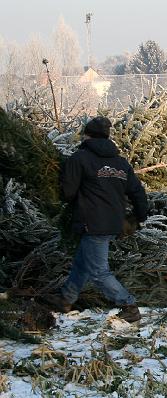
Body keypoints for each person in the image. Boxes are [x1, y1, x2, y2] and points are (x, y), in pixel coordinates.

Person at [39, 116, 148, 322]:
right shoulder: (120, 163)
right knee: (82, 262)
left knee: (98, 272)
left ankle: (129, 305)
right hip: (113, 223)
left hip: (92, 222)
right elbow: (137, 192)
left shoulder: (80, 158)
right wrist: (139, 217)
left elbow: (68, 193)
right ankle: (65, 299)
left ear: (87, 135)